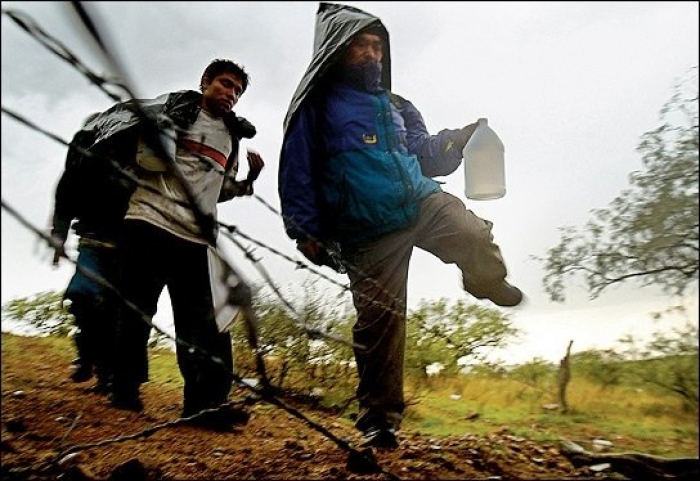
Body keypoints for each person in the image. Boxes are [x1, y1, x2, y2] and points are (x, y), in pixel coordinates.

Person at [278, 3, 523, 449]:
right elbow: (296, 168)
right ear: (336, 49)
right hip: (365, 225)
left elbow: (424, 153)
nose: (372, 54)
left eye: (377, 46)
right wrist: (304, 229)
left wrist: (458, 138)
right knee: (380, 321)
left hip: (418, 200)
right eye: (361, 45)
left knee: (470, 232)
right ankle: (379, 417)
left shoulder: (397, 105)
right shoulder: (317, 107)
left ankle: (485, 280)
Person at [78, 59, 264, 432]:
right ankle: (124, 388)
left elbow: (219, 191)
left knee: (205, 323)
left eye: (237, 91)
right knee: (135, 310)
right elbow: (146, 160)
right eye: (225, 85)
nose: (231, 94)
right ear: (206, 83)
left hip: (195, 238)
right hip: (149, 220)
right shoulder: (174, 113)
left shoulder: (231, 136)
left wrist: (249, 179)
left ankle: (206, 404)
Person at [50, 112, 132, 395]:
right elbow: (64, 199)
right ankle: (87, 356)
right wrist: (58, 238)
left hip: (125, 248)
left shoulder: (134, 162)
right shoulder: (81, 164)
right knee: (81, 297)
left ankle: (106, 375)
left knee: (113, 311)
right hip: (91, 242)